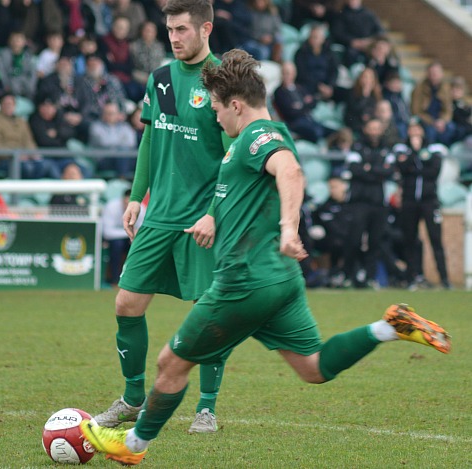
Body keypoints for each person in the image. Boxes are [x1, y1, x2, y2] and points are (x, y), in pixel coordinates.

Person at [79, 48, 452, 466]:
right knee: (313, 367)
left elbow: (290, 170)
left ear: (236, 105)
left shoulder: (258, 135)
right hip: (282, 282)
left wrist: (289, 228)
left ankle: (132, 447)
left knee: (170, 363)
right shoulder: (253, 136)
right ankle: (390, 327)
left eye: (218, 109)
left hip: (244, 281)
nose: (216, 117)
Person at [93, 0, 235, 435]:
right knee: (126, 304)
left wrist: (215, 213)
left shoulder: (225, 82)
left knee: (207, 314)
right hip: (160, 215)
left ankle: (206, 407)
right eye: (169, 29)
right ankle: (133, 397)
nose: (173, 38)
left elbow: (235, 157)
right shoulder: (158, 79)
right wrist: (137, 197)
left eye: (182, 30)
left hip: (203, 219)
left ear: (205, 28)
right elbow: (151, 140)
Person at [393, 121, 450, 290]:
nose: (415, 134)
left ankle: (445, 279)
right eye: (412, 130)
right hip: (410, 201)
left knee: (436, 239)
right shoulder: (402, 149)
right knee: (409, 239)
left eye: (418, 130)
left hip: (429, 201)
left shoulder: (434, 149)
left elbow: (433, 172)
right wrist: (415, 154)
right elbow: (402, 168)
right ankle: (412, 278)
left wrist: (415, 165)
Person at [341, 118, 395, 288]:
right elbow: (355, 169)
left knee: (376, 241)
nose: (374, 131)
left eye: (377, 128)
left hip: (378, 203)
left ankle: (370, 277)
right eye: (371, 128)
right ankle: (348, 275)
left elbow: (389, 171)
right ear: (365, 129)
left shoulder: (386, 148)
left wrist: (368, 168)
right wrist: (376, 170)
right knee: (354, 240)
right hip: (359, 202)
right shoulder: (357, 146)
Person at [102, 188, 144, 286]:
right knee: (117, 244)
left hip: (131, 239)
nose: (127, 207)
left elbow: (142, 230)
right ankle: (115, 280)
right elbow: (107, 232)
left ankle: (136, 281)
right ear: (122, 200)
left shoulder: (141, 209)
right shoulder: (111, 207)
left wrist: (134, 236)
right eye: (126, 203)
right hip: (114, 240)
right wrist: (129, 233)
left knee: (138, 245)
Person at [88, 100, 137, 179]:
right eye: (107, 113)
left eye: (113, 113)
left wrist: (118, 146)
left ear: (118, 114)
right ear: (103, 114)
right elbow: (104, 142)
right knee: (123, 152)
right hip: (104, 160)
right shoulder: (96, 127)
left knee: (141, 159)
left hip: (123, 158)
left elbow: (131, 143)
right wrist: (121, 142)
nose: (110, 116)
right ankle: (123, 180)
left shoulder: (125, 126)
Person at [410, 61, 455, 147]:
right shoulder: (419, 88)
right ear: (427, 73)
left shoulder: (445, 88)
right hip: (426, 119)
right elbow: (416, 110)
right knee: (430, 131)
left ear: (441, 74)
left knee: (451, 128)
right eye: (431, 72)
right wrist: (433, 122)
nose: (434, 75)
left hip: (440, 119)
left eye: (436, 72)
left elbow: (448, 110)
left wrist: (442, 120)